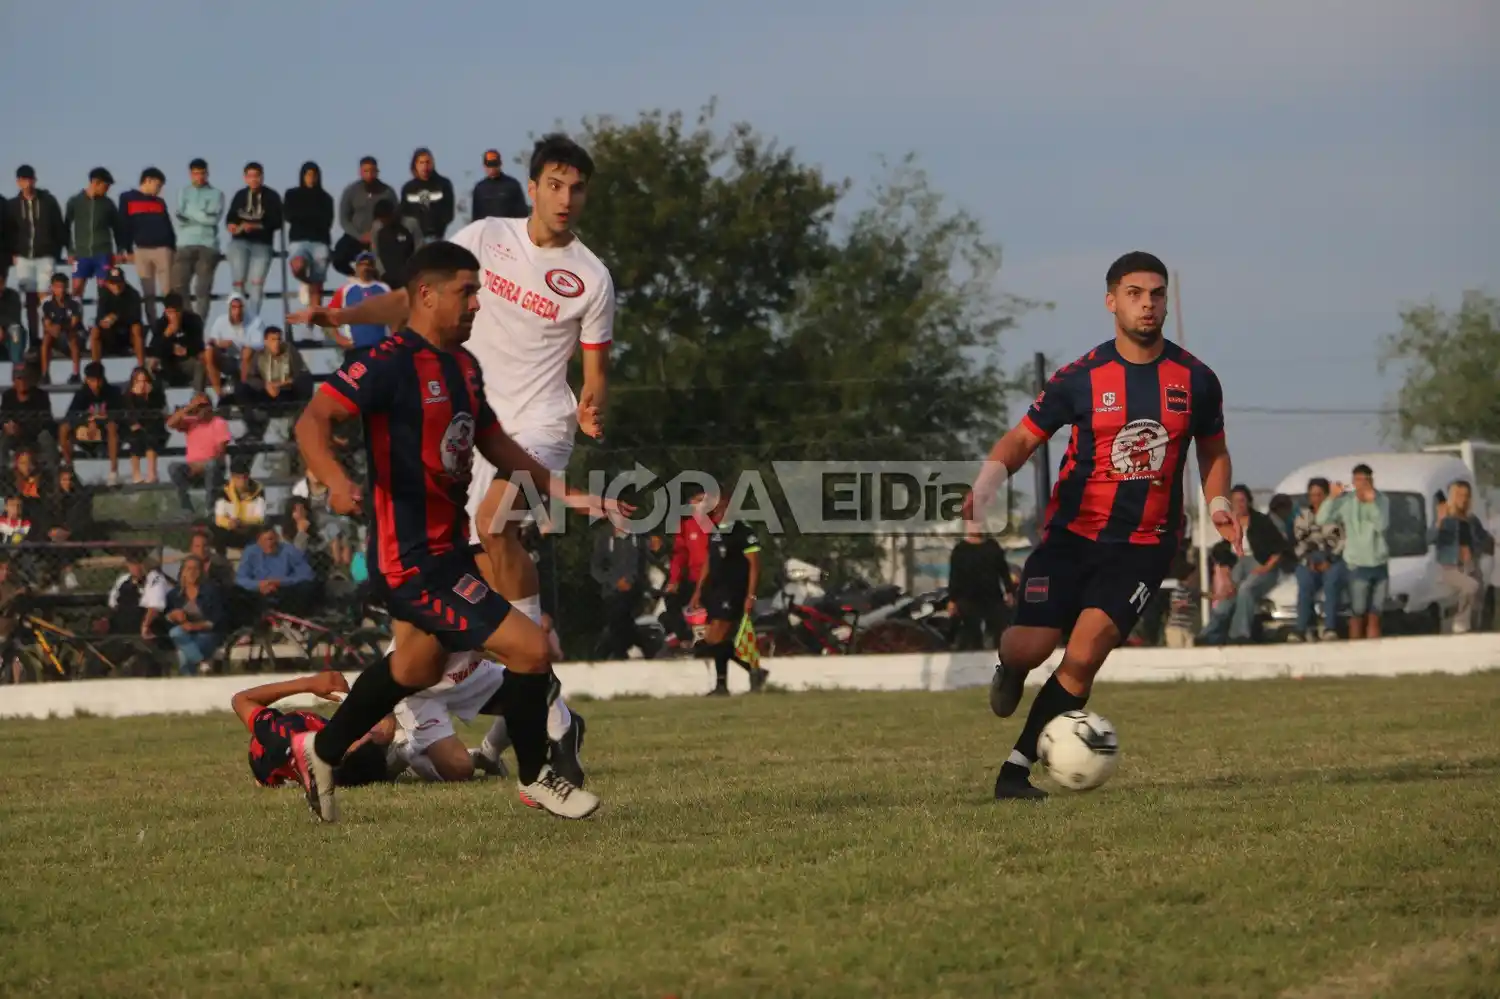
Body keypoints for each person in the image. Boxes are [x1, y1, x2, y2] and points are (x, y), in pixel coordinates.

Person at [289, 135, 609, 765]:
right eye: (555, 184)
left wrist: (593, 402)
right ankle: (527, 720)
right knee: (433, 627)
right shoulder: (485, 236)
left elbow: (594, 368)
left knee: (495, 527)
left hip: (541, 423)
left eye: (577, 189)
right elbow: (417, 298)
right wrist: (341, 317)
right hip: (472, 416)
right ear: (535, 185)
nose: (566, 199)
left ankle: (542, 699)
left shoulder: (592, 276)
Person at [965, 251, 1240, 801]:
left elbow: (1213, 453)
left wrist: (1218, 506)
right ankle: (1009, 667)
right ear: (1112, 300)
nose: (1148, 304)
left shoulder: (1197, 380)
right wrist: (987, 483)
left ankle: (1014, 771)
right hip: (1070, 539)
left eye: (1157, 293)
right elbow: (1022, 438)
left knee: (1085, 655)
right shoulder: (1081, 377)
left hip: (1143, 547)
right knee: (1032, 647)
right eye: (1135, 293)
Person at [231, 671, 394, 788]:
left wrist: (308, 683)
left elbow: (241, 700)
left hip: (271, 759)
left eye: (361, 737)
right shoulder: (345, 758)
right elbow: (383, 725)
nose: (367, 731)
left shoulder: (288, 737)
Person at [689, 489, 769, 695]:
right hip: (715, 591)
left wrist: (751, 595)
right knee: (716, 641)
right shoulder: (715, 530)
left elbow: (754, 565)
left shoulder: (742, 530)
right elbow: (709, 560)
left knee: (715, 638)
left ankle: (724, 684)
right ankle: (749, 673)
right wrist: (698, 590)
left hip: (733, 592)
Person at [1196, 486, 1291, 646]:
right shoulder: (1228, 525)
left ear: (1248, 502)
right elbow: (1222, 551)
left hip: (1262, 564)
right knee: (1228, 594)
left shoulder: (1261, 521)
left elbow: (1279, 549)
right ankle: (1208, 634)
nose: (1239, 504)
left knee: (1246, 589)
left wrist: (1265, 568)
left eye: (1242, 500)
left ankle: (1239, 634)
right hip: (1240, 565)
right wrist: (1226, 576)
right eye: (1235, 501)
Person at [1316, 464, 1390, 640]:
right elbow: (1321, 519)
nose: (1363, 484)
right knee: (1357, 613)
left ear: (1372, 480)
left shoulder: (1382, 500)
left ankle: (1375, 655)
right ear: (1353, 481)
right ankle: (1354, 653)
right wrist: (1332, 498)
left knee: (1375, 614)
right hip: (1357, 564)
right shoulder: (1346, 501)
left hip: (1379, 562)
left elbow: (1382, 525)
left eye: (1366, 479)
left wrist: (1371, 504)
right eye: (1358, 480)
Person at [1289, 477, 1347, 642]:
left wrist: (1330, 558)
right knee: (1305, 584)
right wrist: (1309, 561)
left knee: (1332, 583)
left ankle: (1330, 628)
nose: (1316, 499)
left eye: (1320, 495)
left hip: (1333, 557)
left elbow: (1343, 539)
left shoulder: (1338, 514)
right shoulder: (1302, 516)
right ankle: (1301, 628)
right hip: (1309, 558)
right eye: (1312, 495)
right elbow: (1299, 540)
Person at [1430, 480, 1491, 634]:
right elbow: (1429, 539)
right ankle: (1459, 622)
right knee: (1471, 586)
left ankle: (1474, 630)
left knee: (1478, 599)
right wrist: (1439, 522)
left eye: (1466, 496)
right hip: (1450, 567)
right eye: (1459, 495)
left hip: (1471, 564)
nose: (1463, 499)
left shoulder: (1471, 519)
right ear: (1452, 497)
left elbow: (1484, 538)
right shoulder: (1446, 519)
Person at [118, 167, 176, 324]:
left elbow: (168, 225)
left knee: (168, 292)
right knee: (148, 292)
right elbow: (124, 224)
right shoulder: (128, 198)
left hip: (164, 249)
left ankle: (171, 325)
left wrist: (173, 248)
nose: (159, 190)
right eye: (158, 185)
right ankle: (154, 326)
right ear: (148, 180)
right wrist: (126, 248)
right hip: (142, 249)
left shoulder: (159, 202)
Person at [224, 162, 283, 317]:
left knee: (256, 285)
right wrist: (231, 225)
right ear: (245, 178)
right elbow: (231, 216)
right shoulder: (239, 196)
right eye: (250, 176)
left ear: (262, 177)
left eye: (256, 176)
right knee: (238, 283)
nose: (254, 180)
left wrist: (256, 226)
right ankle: (237, 320)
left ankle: (253, 321)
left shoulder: (272, 196)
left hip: (262, 244)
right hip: (240, 242)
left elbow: (277, 221)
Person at [946, 522, 1016, 651]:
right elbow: (954, 576)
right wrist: (952, 600)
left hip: (992, 597)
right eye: (972, 523)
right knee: (972, 636)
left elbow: (1004, 571)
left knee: (1000, 632)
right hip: (968, 599)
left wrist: (1009, 591)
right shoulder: (960, 550)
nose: (976, 527)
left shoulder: (993, 547)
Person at [171, 159, 224, 319]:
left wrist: (191, 214)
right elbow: (179, 215)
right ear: (190, 174)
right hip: (184, 243)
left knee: (202, 289)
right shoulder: (183, 192)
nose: (199, 177)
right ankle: (189, 324)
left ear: (207, 173)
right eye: (195, 173)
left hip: (208, 245)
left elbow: (213, 220)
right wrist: (202, 213)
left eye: (202, 173)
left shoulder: (217, 194)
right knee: (179, 287)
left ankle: (199, 326)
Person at [591, 519, 650, 659]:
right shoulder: (604, 536)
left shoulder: (639, 536)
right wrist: (614, 581)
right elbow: (596, 568)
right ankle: (631, 648)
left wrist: (632, 581)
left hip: (633, 590)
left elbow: (642, 564)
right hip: (612, 591)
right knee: (618, 618)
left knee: (620, 616)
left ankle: (624, 651)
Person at [64, 168, 124, 300]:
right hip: (80, 254)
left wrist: (120, 250)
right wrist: (70, 250)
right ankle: (75, 320)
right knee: (76, 291)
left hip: (103, 253)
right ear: (95, 182)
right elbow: (66, 227)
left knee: (105, 291)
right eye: (106, 185)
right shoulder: (75, 201)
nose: (107, 189)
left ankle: (101, 319)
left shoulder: (108, 204)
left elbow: (118, 228)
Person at [59, 361, 122, 484]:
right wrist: (87, 422)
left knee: (112, 426)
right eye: (92, 381)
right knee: (63, 428)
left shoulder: (113, 392)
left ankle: (114, 471)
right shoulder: (81, 394)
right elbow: (71, 415)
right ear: (86, 380)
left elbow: (118, 414)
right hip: (85, 433)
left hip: (105, 434)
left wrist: (97, 421)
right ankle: (68, 466)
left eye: (99, 380)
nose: (96, 385)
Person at [166, 392, 230, 512]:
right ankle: (186, 506)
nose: (201, 409)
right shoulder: (191, 422)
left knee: (211, 465)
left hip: (212, 467)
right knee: (173, 467)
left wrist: (201, 465)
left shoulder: (219, 422)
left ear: (210, 406)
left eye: (204, 405)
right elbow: (170, 423)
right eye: (198, 406)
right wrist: (189, 407)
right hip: (192, 469)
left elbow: (221, 453)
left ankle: (209, 507)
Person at [165, 554, 228, 675]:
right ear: (182, 572)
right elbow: (165, 620)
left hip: (206, 635)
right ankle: (202, 663)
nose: (192, 572)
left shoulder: (211, 592)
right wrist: (172, 616)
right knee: (176, 633)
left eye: (196, 569)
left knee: (183, 654)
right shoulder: (174, 594)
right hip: (183, 637)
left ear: (201, 572)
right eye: (188, 569)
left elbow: (217, 619)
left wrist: (195, 626)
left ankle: (191, 683)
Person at [284, 162, 334, 310]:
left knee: (318, 284)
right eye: (308, 175)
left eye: (314, 175)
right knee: (297, 266)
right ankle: (305, 281)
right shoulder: (292, 194)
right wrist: (311, 216)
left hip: (320, 241)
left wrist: (303, 216)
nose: (311, 178)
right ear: (303, 176)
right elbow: (289, 215)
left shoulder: (326, 198)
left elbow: (327, 221)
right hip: (299, 240)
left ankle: (313, 319)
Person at [236, 525, 317, 614]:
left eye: (271, 539)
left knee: (306, 587)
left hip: (285, 590)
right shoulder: (250, 552)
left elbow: (307, 575)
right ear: (258, 542)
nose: (269, 543)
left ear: (277, 538)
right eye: (264, 540)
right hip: (260, 591)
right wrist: (259, 585)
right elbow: (240, 578)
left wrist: (280, 582)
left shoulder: (289, 550)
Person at [325, 252, 391, 357]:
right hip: (356, 349)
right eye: (362, 264)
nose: (366, 267)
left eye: (369, 264)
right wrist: (339, 338)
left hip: (380, 348)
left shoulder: (385, 288)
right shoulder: (345, 290)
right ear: (356, 267)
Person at [148, 292, 216, 391]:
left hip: (187, 361)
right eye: (171, 312)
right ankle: (156, 401)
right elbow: (154, 349)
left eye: (177, 311)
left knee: (201, 363)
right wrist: (167, 334)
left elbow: (198, 345)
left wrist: (186, 350)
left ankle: (198, 398)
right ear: (166, 312)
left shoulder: (193, 320)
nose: (174, 316)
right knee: (150, 364)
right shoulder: (161, 324)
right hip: (167, 363)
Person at [89, 266, 146, 367]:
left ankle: (142, 367)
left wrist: (116, 317)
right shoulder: (104, 295)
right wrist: (103, 322)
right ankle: (96, 369)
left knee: (137, 328)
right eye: (113, 283)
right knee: (95, 331)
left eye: (119, 282)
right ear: (107, 283)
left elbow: (136, 317)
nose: (116, 286)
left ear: (124, 282)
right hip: (110, 335)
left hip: (127, 336)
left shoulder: (133, 294)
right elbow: (99, 317)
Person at [120, 366, 168, 483]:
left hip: (153, 427)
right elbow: (129, 414)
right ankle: (136, 475)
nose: (142, 384)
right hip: (136, 428)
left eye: (144, 381)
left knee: (151, 438)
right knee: (135, 438)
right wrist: (134, 396)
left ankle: (152, 473)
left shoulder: (156, 395)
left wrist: (148, 397)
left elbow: (159, 411)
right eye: (138, 381)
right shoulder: (127, 396)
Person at [399, 148, 455, 245]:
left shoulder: (443, 184)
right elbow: (404, 214)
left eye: (427, 162)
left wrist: (437, 227)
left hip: (437, 237)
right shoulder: (408, 188)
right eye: (421, 163)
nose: (425, 166)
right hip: (413, 240)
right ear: (415, 165)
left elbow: (449, 212)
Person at [37, 273, 85, 383]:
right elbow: (47, 324)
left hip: (74, 334)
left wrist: (61, 327)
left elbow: (74, 323)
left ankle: (76, 374)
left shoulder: (75, 302)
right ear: (52, 288)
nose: (61, 290)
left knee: (72, 337)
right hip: (56, 335)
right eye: (58, 287)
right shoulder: (47, 304)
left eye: (63, 287)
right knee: (46, 339)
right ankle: (45, 375)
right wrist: (54, 329)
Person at [214, 462, 268, 550]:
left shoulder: (258, 491)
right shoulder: (223, 492)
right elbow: (219, 518)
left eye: (245, 477)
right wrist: (229, 523)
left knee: (260, 529)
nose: (242, 480)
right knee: (217, 530)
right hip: (231, 529)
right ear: (232, 477)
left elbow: (260, 517)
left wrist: (242, 523)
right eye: (238, 477)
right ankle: (221, 556)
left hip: (250, 529)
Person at [470, 149, 528, 221]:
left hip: (508, 230)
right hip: (487, 230)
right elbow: (475, 217)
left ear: (500, 164)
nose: (492, 169)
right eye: (489, 165)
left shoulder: (512, 185)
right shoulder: (479, 188)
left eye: (494, 165)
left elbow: (522, 214)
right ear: (484, 166)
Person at [0, 270, 24, 365]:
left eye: (1, 282)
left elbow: (14, 319)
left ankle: (17, 368)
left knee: (15, 331)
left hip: (10, 331)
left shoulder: (13, 295)